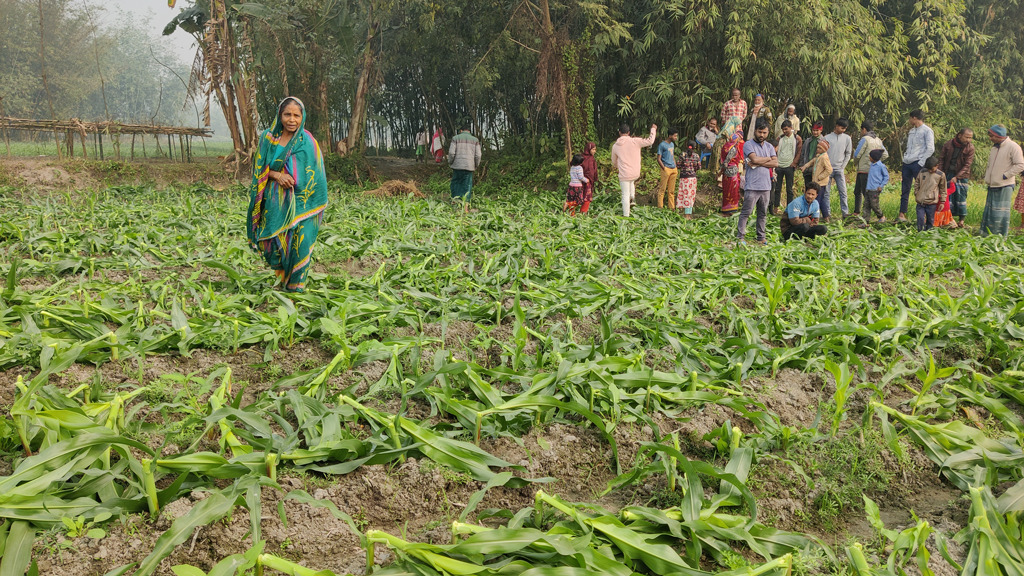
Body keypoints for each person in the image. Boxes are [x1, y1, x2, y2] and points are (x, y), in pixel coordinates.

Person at [247, 97, 328, 294]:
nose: (292, 119)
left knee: (299, 244)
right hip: (274, 204)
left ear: (302, 117)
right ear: (279, 115)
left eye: (296, 115)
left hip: (302, 205)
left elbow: (315, 175)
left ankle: (294, 290)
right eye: (287, 114)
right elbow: (259, 169)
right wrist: (277, 175)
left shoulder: (307, 141)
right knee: (271, 244)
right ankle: (283, 280)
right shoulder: (268, 138)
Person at [737, 119, 777, 245]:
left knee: (762, 214)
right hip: (752, 185)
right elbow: (753, 158)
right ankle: (740, 237)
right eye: (760, 132)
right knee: (746, 212)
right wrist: (768, 159)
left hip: (766, 186)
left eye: (764, 133)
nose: (762, 135)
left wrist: (758, 162)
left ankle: (761, 237)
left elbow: (776, 163)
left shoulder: (770, 146)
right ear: (755, 131)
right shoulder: (748, 145)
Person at [980, 124, 1024, 237]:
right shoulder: (994, 148)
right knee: (990, 212)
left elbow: (1020, 165)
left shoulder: (1013, 146)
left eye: (991, 136)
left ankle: (999, 237)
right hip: (992, 184)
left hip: (1005, 184)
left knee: (1000, 213)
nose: (990, 138)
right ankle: (986, 235)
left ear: (998, 135)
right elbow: (990, 165)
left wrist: (1005, 175)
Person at [610, 123, 657, 217]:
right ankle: (632, 197)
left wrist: (618, 167)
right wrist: (653, 129)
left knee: (624, 195)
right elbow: (650, 141)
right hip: (635, 172)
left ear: (619, 133)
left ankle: (626, 215)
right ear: (629, 132)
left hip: (624, 174)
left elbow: (614, 162)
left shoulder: (615, 146)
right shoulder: (635, 141)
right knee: (631, 181)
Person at [899, 109, 935, 222]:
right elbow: (909, 147)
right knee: (905, 188)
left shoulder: (927, 131)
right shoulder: (911, 131)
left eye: (910, 118)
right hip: (907, 162)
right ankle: (902, 214)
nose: (909, 120)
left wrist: (921, 162)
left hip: (917, 163)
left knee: (921, 188)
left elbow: (930, 148)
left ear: (914, 118)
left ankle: (923, 216)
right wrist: (905, 158)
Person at [937, 128, 975, 228]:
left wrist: (957, 177)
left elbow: (967, 165)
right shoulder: (948, 144)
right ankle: (948, 219)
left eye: (970, 138)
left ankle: (961, 221)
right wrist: (941, 173)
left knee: (961, 197)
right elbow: (941, 159)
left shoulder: (970, 148)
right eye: (966, 137)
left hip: (962, 176)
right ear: (959, 135)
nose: (968, 140)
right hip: (947, 173)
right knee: (946, 198)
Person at [852, 121, 888, 217]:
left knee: (862, 193)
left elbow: (857, 154)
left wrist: (856, 163)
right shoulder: (878, 140)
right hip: (871, 170)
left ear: (864, 129)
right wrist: (877, 162)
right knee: (861, 191)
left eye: (861, 130)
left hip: (863, 169)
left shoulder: (865, 139)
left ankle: (864, 213)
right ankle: (860, 212)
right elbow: (885, 154)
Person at [823, 118, 853, 218]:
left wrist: (843, 166)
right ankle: (827, 213)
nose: (843, 130)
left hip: (839, 169)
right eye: (842, 128)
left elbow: (848, 154)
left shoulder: (847, 138)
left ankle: (845, 212)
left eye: (845, 128)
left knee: (843, 191)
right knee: (826, 192)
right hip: (828, 169)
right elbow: (823, 153)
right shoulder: (826, 138)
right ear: (836, 126)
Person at [771, 119, 802, 213]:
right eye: (783, 129)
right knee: (777, 188)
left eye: (786, 129)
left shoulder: (797, 139)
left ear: (791, 128)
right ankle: (775, 207)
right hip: (779, 166)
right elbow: (774, 151)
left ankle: (789, 209)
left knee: (789, 189)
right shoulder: (780, 139)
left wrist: (794, 163)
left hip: (790, 166)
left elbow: (799, 152)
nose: (784, 131)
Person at [448, 125, 482, 211]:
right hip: (469, 166)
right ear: (469, 131)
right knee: (467, 186)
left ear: (461, 130)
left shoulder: (455, 138)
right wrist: (476, 165)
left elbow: (451, 153)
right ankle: (465, 207)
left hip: (457, 165)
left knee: (455, 183)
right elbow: (478, 155)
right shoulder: (475, 140)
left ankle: (454, 203)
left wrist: (450, 162)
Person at [719, 117, 745, 216]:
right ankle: (731, 210)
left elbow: (722, 160)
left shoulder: (725, 146)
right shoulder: (733, 148)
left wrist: (722, 169)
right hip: (733, 171)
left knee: (726, 190)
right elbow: (727, 160)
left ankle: (725, 209)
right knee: (733, 190)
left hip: (725, 172)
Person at [801, 140, 832, 218]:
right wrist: (805, 166)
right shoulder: (818, 156)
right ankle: (826, 216)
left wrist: (820, 177)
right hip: (816, 181)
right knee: (820, 200)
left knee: (817, 199)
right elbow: (812, 162)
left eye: (819, 148)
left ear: (823, 150)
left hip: (821, 182)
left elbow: (829, 170)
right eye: (817, 147)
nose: (817, 149)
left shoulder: (824, 157)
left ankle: (814, 215)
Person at [914, 157, 946, 232]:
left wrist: (942, 201)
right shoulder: (922, 172)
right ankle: (920, 233)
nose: (930, 171)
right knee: (920, 219)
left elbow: (943, 189)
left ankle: (928, 234)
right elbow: (917, 183)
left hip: (931, 202)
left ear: (937, 166)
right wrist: (917, 193)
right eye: (928, 169)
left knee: (930, 220)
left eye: (932, 169)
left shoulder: (941, 175)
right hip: (920, 202)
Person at [676, 140, 701, 219]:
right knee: (691, 195)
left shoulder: (682, 154)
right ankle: (688, 214)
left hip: (684, 178)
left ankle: (686, 214)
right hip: (693, 178)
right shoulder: (696, 156)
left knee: (685, 195)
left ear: (687, 145)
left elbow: (678, 165)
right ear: (695, 148)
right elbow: (698, 167)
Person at [656, 128, 680, 209]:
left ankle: (672, 208)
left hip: (673, 169)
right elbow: (658, 158)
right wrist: (664, 168)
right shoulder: (662, 145)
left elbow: (672, 155)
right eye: (675, 136)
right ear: (670, 136)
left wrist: (675, 166)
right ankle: (660, 207)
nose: (676, 137)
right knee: (662, 189)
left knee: (671, 191)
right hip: (666, 169)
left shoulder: (672, 145)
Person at [864, 149, 889, 223]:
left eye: (870, 156)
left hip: (875, 189)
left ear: (874, 157)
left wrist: (881, 186)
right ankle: (865, 221)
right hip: (868, 189)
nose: (869, 158)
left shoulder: (881, 166)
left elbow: (886, 177)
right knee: (866, 206)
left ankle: (881, 216)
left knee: (874, 205)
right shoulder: (872, 164)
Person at [801, 122, 824, 193]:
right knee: (808, 188)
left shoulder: (823, 141)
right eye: (814, 130)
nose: (815, 132)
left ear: (821, 130)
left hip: (817, 170)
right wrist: (802, 164)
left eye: (817, 130)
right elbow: (803, 152)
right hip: (807, 169)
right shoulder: (808, 141)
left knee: (816, 189)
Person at [580, 141, 598, 214]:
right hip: (581, 181)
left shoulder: (592, 159)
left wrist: (595, 178)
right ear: (589, 149)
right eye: (593, 149)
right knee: (580, 197)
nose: (594, 151)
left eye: (595, 149)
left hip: (589, 181)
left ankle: (583, 212)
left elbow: (594, 169)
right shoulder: (581, 158)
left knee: (587, 197)